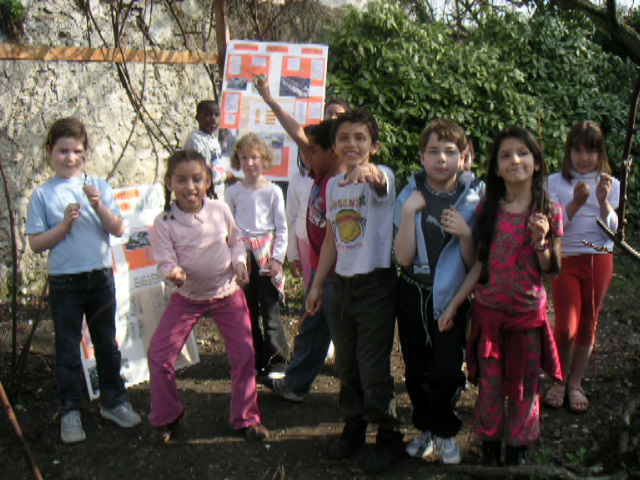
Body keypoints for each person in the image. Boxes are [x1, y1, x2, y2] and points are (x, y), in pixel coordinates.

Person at [440, 127, 563, 466]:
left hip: (527, 317)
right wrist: (454, 305)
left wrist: (541, 241)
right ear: (496, 167)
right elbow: (480, 266)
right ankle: (490, 442)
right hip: (489, 315)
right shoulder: (489, 209)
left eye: (523, 153)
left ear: (537, 162)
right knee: (491, 385)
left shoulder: (549, 211)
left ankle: (519, 445)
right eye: (506, 155)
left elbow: (551, 269)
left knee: (524, 385)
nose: (515, 160)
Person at [26, 117, 141, 444]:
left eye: (77, 151)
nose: (70, 158)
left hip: (100, 276)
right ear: (50, 152)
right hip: (65, 281)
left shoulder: (99, 186)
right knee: (67, 347)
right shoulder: (43, 194)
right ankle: (70, 410)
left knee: (106, 343)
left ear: (86, 153)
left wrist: (98, 205)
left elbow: (119, 229)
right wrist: (63, 226)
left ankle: (113, 402)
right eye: (63, 151)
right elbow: (36, 244)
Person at [306, 109, 403, 474]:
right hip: (340, 287)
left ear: (373, 146)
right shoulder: (333, 185)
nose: (352, 144)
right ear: (334, 146)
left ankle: (389, 436)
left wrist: (369, 173)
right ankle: (354, 427)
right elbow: (332, 238)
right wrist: (317, 285)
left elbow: (378, 182)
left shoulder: (383, 176)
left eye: (360, 138)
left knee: (372, 365)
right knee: (346, 364)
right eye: (344, 138)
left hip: (375, 285)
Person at [148, 149, 267, 442]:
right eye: (181, 180)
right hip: (187, 298)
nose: (190, 187)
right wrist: (173, 272)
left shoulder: (219, 210)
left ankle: (246, 417)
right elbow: (164, 261)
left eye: (197, 179)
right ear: (169, 183)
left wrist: (239, 264)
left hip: (227, 293)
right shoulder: (164, 223)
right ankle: (167, 416)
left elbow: (236, 242)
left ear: (208, 182)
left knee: (244, 355)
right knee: (160, 356)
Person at [394, 120, 484, 464]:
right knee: (416, 368)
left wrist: (466, 234)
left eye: (450, 152)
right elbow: (403, 258)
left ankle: (445, 432)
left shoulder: (474, 197)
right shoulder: (409, 194)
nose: (441, 159)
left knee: (447, 369)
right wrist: (407, 213)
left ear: (464, 157)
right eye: (433, 151)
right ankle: (426, 429)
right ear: (422, 157)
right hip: (413, 292)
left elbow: (476, 262)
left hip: (452, 296)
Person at [545, 121, 619, 413]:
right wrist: (575, 203)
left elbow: (612, 232)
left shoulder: (611, 184)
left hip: (599, 257)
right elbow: (552, 226)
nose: (584, 157)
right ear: (569, 152)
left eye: (591, 150)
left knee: (589, 321)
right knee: (565, 327)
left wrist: (604, 202)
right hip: (567, 257)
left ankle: (575, 383)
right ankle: (558, 379)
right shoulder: (554, 182)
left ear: (600, 153)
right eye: (578, 150)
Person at [270, 119, 345, 403]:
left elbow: (335, 241)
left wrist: (321, 280)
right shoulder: (319, 174)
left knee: (340, 337)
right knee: (313, 329)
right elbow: (299, 136)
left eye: (312, 150)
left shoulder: (338, 182)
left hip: (335, 275)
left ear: (332, 151)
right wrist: (270, 101)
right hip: (320, 270)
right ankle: (296, 384)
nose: (306, 155)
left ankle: (360, 400)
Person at [225, 134, 289, 379]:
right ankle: (254, 358)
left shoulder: (273, 191)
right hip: (242, 254)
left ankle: (278, 359)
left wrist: (277, 259)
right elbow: (229, 229)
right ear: (238, 160)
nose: (250, 163)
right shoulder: (233, 192)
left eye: (254, 157)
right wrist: (236, 260)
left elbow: (282, 228)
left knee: (270, 308)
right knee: (246, 309)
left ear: (264, 159)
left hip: (266, 253)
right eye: (244, 158)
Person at [184, 100, 228, 198]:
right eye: (208, 115)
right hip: (204, 192)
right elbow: (198, 170)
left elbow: (216, 163)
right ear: (197, 118)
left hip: (217, 190)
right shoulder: (195, 140)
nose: (213, 119)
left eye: (216, 115)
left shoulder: (213, 139)